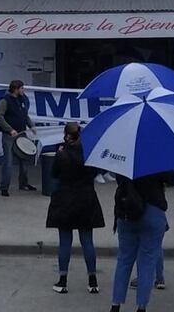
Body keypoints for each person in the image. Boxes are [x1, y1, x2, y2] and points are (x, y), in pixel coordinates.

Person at [47, 122, 105, 295]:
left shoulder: (61, 154)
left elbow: (54, 174)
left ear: (66, 135)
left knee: (65, 241)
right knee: (87, 240)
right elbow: (95, 173)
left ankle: (62, 280)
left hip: (65, 199)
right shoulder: (89, 153)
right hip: (86, 198)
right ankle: (92, 280)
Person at [110, 172, 174, 312]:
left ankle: (116, 304)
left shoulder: (124, 156)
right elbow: (173, 178)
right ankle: (141, 306)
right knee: (147, 261)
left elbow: (119, 180)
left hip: (127, 210)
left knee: (124, 260)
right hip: (152, 210)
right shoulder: (155, 157)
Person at [0, 80, 37, 196]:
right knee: (8, 162)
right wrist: (9, 129)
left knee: (24, 159)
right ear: (16, 89)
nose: (23, 90)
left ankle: (23, 183)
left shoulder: (21, 100)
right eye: (22, 88)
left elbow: (25, 115)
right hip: (9, 135)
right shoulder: (5, 100)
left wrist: (31, 126)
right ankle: (4, 187)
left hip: (22, 133)